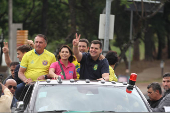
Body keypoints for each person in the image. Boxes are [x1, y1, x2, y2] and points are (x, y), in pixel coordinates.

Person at [16, 34, 56, 100]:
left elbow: (54, 73)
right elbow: (20, 73)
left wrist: (45, 76)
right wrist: (26, 80)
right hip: (29, 84)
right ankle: (20, 107)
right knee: (18, 88)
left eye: (40, 42)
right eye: (36, 42)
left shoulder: (51, 56)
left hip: (44, 84)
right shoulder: (27, 55)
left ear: (45, 44)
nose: (38, 44)